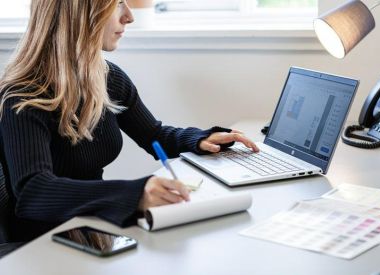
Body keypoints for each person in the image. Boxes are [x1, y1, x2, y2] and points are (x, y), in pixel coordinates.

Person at [0, 0, 259, 242]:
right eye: (118, 3)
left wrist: (200, 139)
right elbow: (34, 192)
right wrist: (136, 194)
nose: (129, 16)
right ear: (80, 13)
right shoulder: (22, 97)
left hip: (93, 228)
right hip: (42, 244)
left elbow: (153, 135)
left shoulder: (106, 76)